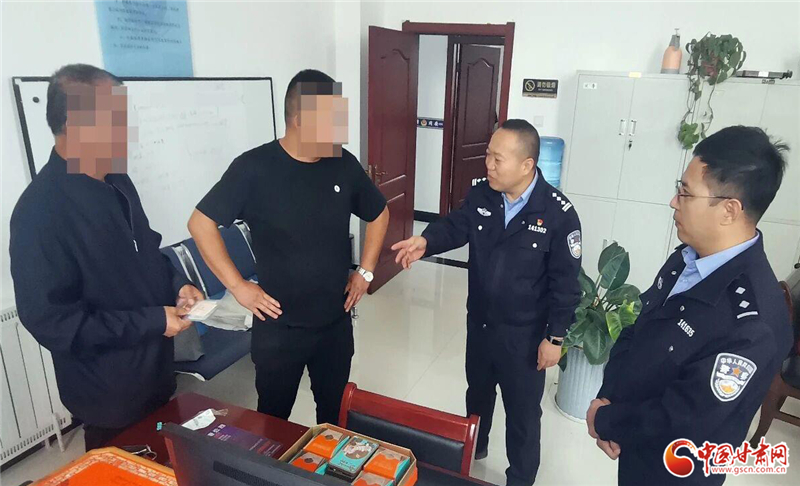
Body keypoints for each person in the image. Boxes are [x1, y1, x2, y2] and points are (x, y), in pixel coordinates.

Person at [9, 64, 203, 451]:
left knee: (167, 462)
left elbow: (147, 252)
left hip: (156, 373)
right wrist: (151, 321)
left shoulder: (118, 181)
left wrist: (178, 285)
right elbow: (54, 323)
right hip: (108, 394)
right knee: (121, 468)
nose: (127, 132)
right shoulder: (39, 211)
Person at [586, 126, 793, 485]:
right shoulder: (686, 259)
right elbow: (638, 330)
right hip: (634, 441)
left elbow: (686, 419)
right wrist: (608, 398)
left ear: (729, 210)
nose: (673, 201)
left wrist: (606, 420)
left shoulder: (751, 324)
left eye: (685, 192)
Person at [188, 69, 389, 425]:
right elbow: (201, 224)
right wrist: (239, 286)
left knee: (334, 417)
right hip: (279, 329)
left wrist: (366, 271)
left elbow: (379, 213)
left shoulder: (342, 163)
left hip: (334, 323)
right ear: (299, 120)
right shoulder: (253, 168)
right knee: (273, 420)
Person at [392, 119, 582, 486]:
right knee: (477, 395)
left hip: (525, 337)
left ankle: (520, 478)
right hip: (480, 323)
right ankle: (474, 450)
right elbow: (457, 225)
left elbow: (566, 284)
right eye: (488, 156)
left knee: (523, 414)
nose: (488, 165)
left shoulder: (558, 214)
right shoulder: (483, 194)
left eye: (498, 159)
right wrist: (426, 241)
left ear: (527, 165)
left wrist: (555, 338)